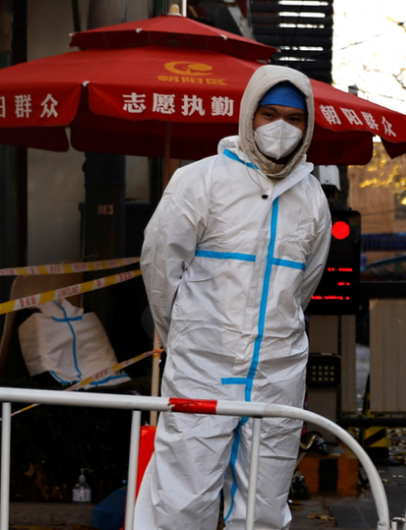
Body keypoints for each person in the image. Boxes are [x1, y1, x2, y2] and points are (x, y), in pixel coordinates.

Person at [136, 65, 332, 530]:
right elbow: (160, 268)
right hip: (203, 365)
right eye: (269, 113)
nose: (281, 126)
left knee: (264, 505)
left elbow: (305, 284)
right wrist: (184, 334)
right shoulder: (198, 181)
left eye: (294, 117)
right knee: (182, 500)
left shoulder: (312, 198)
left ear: (307, 127)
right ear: (248, 115)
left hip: (279, 371)